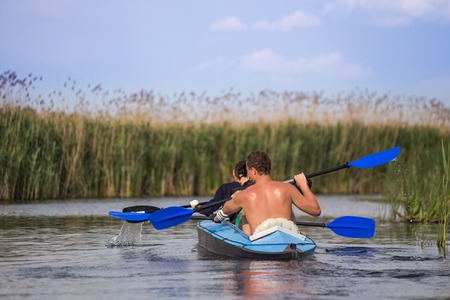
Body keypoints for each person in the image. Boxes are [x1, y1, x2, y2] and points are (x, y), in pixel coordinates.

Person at [214, 151, 321, 236]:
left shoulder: (244, 195)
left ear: (254, 171)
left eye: (248, 170)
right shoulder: (288, 188)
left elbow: (227, 209)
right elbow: (316, 210)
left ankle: (248, 241)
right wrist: (303, 185)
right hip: (288, 237)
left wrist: (217, 217)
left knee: (244, 214)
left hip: (260, 242)